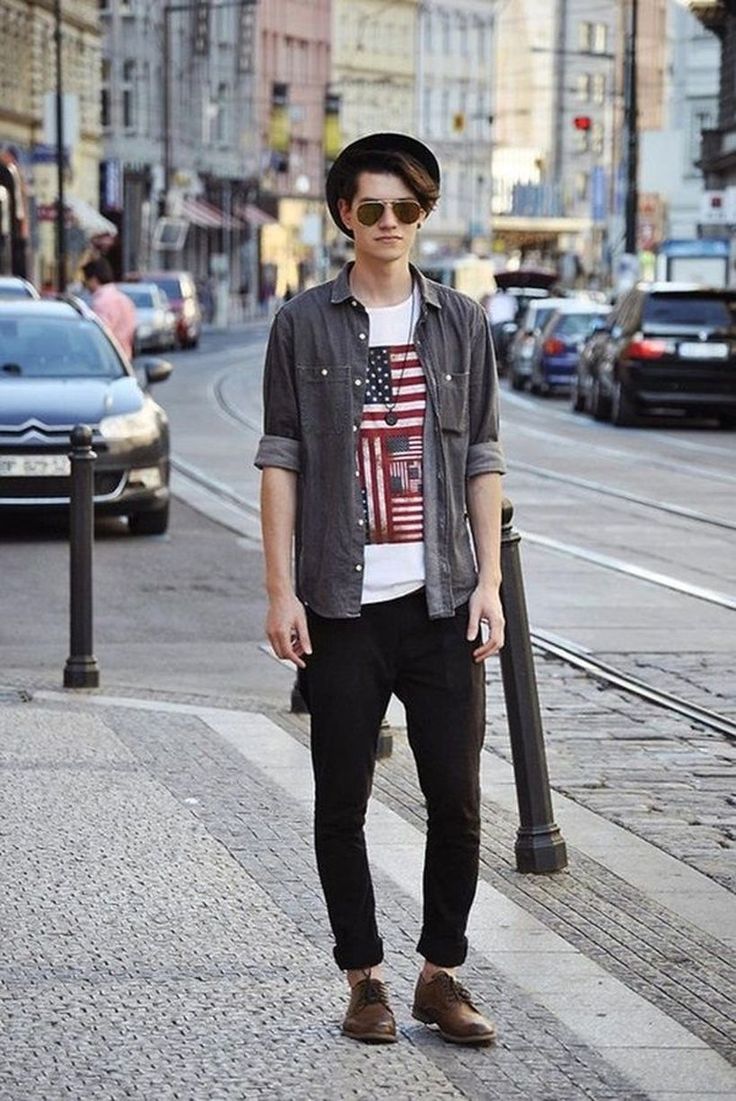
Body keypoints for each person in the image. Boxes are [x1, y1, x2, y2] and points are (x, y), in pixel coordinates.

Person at [255, 133, 505, 1046]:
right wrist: (280, 590)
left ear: (423, 214)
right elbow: (281, 457)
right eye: (372, 209)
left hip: (442, 605)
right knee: (341, 805)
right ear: (344, 216)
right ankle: (365, 980)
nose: (389, 223)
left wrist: (490, 582)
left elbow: (481, 455)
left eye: (405, 208)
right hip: (341, 605)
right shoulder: (303, 323)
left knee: (459, 803)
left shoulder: (462, 322)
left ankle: (440, 974)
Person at [81, 257, 137, 359]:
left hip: (106, 360)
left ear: (93, 279)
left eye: (85, 282)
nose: (86, 286)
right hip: (124, 359)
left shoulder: (101, 303)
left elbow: (98, 337)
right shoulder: (125, 300)